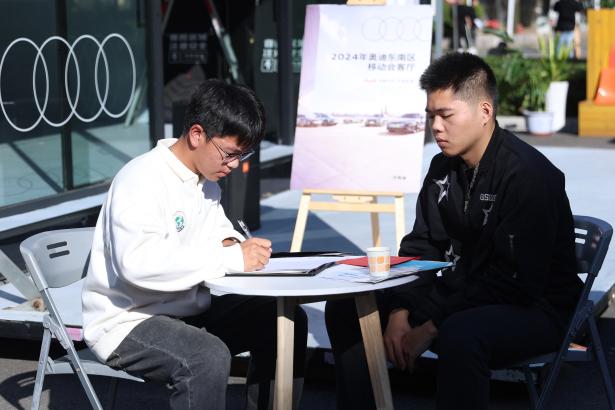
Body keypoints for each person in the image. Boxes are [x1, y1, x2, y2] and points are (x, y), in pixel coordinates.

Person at [325, 52, 582, 410]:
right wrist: (400, 311)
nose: (436, 127)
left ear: (485, 111)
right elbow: (422, 246)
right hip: (462, 292)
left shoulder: (528, 176)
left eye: (446, 115)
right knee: (348, 310)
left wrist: (430, 325)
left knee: (460, 333)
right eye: (430, 115)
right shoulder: (442, 167)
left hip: (536, 306)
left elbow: (513, 281)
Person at [82, 79, 308, 410]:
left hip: (186, 309)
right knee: (206, 357)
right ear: (197, 134)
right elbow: (138, 265)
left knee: (284, 320)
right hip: (127, 320)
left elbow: (218, 233)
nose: (235, 165)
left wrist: (232, 243)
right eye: (230, 154)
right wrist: (230, 257)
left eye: (243, 155)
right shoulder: (142, 179)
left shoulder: (206, 182)